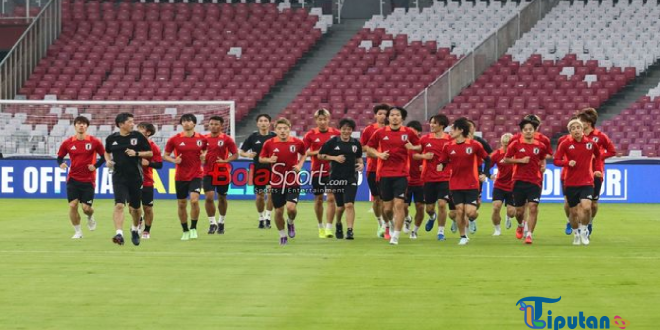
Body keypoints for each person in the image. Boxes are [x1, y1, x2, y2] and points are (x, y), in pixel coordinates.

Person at [366, 106, 421, 245]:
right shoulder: (380, 132)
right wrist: (378, 154)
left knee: (399, 204)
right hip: (384, 174)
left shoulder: (409, 132)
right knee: (388, 209)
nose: (394, 117)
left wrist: (413, 148)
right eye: (392, 115)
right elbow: (368, 147)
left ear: (402, 118)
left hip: (402, 174)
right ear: (388, 118)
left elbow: (420, 146)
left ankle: (395, 236)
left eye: (397, 115)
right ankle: (390, 222)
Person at [437, 117, 489, 245]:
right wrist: (440, 166)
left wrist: (485, 174)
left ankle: (471, 221)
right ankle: (463, 236)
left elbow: (488, 159)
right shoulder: (448, 146)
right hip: (455, 184)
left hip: (471, 183)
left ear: (460, 130)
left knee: (470, 212)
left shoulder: (475, 145)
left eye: (453, 129)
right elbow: (442, 161)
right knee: (459, 210)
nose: (450, 131)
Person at [104, 113, 152, 246]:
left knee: (135, 209)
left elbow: (150, 153)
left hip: (135, 177)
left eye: (133, 121)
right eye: (130, 122)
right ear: (121, 124)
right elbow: (106, 151)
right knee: (119, 205)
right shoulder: (111, 138)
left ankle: (135, 229)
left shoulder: (138, 136)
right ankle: (119, 233)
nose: (133, 124)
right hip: (119, 177)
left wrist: (136, 153)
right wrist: (108, 161)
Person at [554, 119, 602, 246]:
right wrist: (567, 163)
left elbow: (598, 156)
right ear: (570, 131)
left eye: (578, 127)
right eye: (573, 128)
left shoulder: (591, 144)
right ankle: (576, 233)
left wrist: (597, 169)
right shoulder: (565, 144)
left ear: (582, 129)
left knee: (586, 207)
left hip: (587, 181)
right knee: (573, 212)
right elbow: (556, 160)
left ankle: (584, 230)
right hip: (570, 182)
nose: (576, 130)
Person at [259, 118, 306, 245]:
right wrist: (269, 160)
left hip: (293, 181)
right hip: (276, 182)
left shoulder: (297, 142)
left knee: (291, 208)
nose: (283, 131)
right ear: (275, 130)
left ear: (289, 129)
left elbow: (304, 154)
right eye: (280, 128)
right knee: (279, 211)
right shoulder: (269, 143)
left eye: (285, 128)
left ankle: (290, 223)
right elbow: (261, 158)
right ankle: (282, 235)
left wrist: (299, 165)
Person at [57, 116, 105, 239]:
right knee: (73, 205)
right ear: (75, 126)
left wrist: (95, 166)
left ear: (87, 126)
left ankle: (90, 217)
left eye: (84, 124)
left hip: (88, 180)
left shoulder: (94, 142)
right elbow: (60, 156)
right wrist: (61, 163)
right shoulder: (68, 142)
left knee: (86, 208)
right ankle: (78, 232)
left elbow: (104, 156)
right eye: (79, 123)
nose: (81, 126)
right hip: (73, 178)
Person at [504, 117, 550, 245]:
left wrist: (543, 165)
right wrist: (520, 161)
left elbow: (543, 157)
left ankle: (529, 234)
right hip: (518, 180)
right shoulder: (515, 144)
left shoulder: (540, 145)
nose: (528, 131)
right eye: (526, 130)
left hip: (535, 180)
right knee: (519, 211)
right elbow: (506, 159)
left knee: (533, 207)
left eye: (531, 129)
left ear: (535, 131)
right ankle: (520, 224)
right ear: (522, 131)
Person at [163, 113, 208, 241]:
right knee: (182, 204)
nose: (186, 123)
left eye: (189, 121)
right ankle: (185, 230)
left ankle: (193, 228)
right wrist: (173, 161)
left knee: (194, 201)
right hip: (180, 176)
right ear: (181, 124)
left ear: (194, 124)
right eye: (184, 121)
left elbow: (205, 150)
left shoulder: (202, 139)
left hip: (196, 175)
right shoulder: (174, 139)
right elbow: (165, 155)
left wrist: (203, 156)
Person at [318, 118, 364, 240]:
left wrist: (361, 164)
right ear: (340, 129)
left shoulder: (356, 143)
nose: (346, 131)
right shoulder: (333, 142)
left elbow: (359, 158)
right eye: (344, 129)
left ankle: (350, 231)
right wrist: (334, 158)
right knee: (340, 207)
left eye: (348, 129)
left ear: (352, 131)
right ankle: (338, 223)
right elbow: (320, 155)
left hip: (351, 178)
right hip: (336, 178)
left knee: (349, 204)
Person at [577, 108, 616, 237]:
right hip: (580, 173)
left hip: (596, 173)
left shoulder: (600, 136)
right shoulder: (577, 135)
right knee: (580, 203)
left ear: (588, 123)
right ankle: (579, 225)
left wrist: (598, 156)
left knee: (593, 203)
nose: (578, 123)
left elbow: (612, 151)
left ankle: (589, 222)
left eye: (581, 121)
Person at [303, 108, 341, 238]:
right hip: (317, 171)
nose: (323, 122)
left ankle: (329, 227)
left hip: (333, 171)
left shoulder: (336, 133)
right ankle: (320, 226)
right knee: (318, 199)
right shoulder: (310, 135)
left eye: (325, 119)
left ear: (329, 119)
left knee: (331, 198)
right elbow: (303, 152)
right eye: (320, 119)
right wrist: (318, 153)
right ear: (316, 121)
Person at [416, 114, 453, 241]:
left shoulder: (450, 140)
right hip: (429, 178)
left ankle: (441, 232)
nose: (431, 125)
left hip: (445, 177)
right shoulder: (425, 139)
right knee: (429, 208)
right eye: (431, 122)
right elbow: (414, 155)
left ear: (442, 125)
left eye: (434, 123)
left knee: (442, 204)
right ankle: (432, 217)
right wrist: (423, 157)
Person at [240, 114, 277, 229]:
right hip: (259, 170)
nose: (263, 122)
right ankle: (261, 218)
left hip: (273, 170)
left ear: (269, 123)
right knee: (260, 196)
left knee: (271, 194)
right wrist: (247, 154)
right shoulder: (253, 137)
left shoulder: (275, 137)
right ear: (257, 124)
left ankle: (268, 217)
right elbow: (241, 151)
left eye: (265, 120)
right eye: (261, 121)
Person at [203, 116, 238, 234]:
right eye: (211, 123)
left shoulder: (227, 139)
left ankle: (221, 221)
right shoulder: (203, 139)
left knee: (222, 197)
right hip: (207, 172)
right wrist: (201, 158)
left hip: (222, 172)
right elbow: (198, 154)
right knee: (209, 196)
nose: (213, 126)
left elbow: (235, 154)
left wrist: (226, 160)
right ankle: (212, 223)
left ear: (221, 126)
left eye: (216, 124)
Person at [361, 103, 390, 237]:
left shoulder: (392, 130)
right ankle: (379, 223)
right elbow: (362, 147)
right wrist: (376, 153)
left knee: (386, 199)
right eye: (380, 114)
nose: (382, 116)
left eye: (385, 114)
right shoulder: (369, 130)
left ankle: (386, 225)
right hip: (373, 168)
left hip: (388, 169)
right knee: (377, 199)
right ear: (375, 115)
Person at [465, 119, 493, 235]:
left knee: (477, 201)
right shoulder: (456, 141)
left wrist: (485, 173)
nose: (469, 128)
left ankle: (471, 219)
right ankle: (459, 220)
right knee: (458, 204)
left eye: (470, 126)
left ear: (474, 129)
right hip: (459, 175)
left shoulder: (479, 141)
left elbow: (490, 155)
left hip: (476, 173)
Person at [137, 122, 163, 239]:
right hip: (132, 181)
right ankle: (138, 219)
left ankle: (146, 230)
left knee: (148, 208)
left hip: (147, 181)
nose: (137, 131)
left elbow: (159, 165)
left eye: (141, 129)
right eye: (137, 128)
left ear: (148, 132)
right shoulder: (131, 144)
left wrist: (149, 163)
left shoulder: (154, 147)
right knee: (133, 208)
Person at [489, 133, 516, 236]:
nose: (506, 147)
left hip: (513, 186)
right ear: (501, 143)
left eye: (508, 144)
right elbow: (487, 165)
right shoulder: (496, 154)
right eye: (504, 144)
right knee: (496, 207)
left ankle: (508, 217)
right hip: (499, 185)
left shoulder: (517, 154)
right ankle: (497, 229)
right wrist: (489, 175)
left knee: (512, 213)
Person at [403, 120, 425, 239]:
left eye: (413, 131)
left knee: (420, 207)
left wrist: (425, 165)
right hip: (405, 180)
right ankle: (407, 219)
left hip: (421, 182)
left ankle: (415, 231)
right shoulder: (403, 145)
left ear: (418, 133)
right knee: (403, 206)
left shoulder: (423, 146)